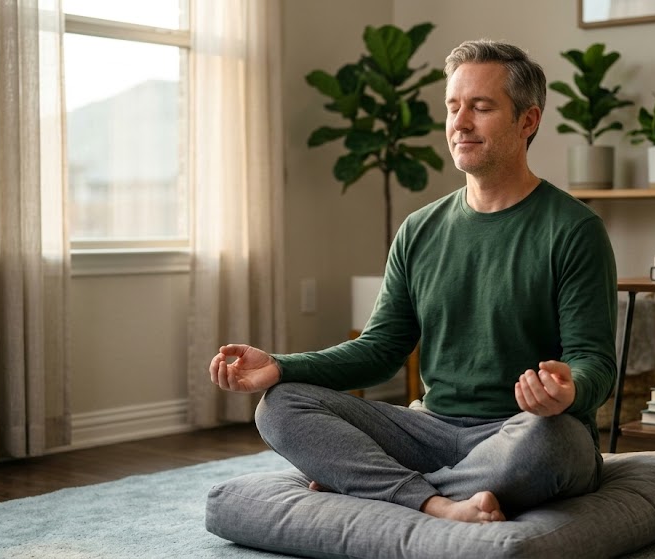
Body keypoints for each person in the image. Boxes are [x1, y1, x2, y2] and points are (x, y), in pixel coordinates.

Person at [209, 39, 618, 523]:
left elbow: (593, 362)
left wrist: (569, 391)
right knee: (279, 406)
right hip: (430, 430)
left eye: (481, 107)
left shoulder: (573, 229)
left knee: (561, 444)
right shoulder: (420, 229)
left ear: (527, 121)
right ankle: (439, 502)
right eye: (453, 107)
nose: (460, 123)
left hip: (523, 432)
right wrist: (279, 366)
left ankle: (372, 488)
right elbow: (379, 349)